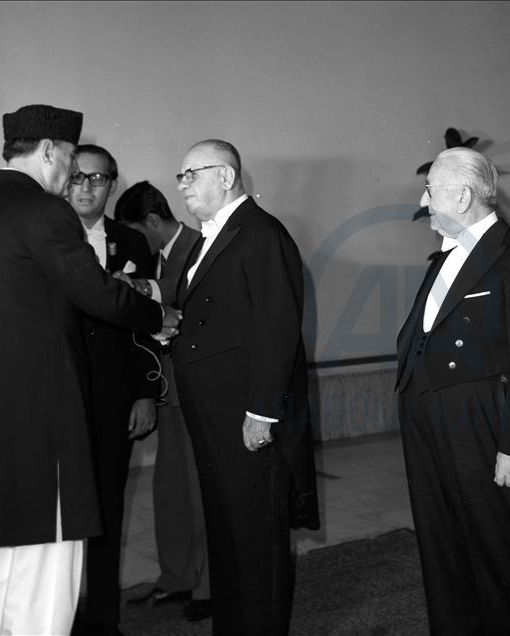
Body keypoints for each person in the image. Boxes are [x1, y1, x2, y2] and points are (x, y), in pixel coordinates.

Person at [0, 104, 179, 636]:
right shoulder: (45, 212)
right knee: (50, 567)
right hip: (45, 417)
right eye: (71, 158)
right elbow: (96, 293)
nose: (72, 172)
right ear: (49, 150)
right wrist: (158, 314)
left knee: (7, 562)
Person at [396, 147, 510, 634]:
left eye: (430, 189)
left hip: (484, 424)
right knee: (443, 552)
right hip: (430, 422)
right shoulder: (441, 260)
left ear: (464, 195)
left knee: (499, 557)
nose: (423, 200)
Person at [170, 139, 319, 634]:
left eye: (192, 173)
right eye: (181, 176)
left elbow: (277, 327)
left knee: (254, 538)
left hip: (244, 417)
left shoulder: (261, 233)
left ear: (227, 177)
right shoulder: (210, 236)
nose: (183, 184)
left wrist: (262, 412)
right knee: (228, 532)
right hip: (214, 412)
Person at [66, 146, 162, 636]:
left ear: (112, 185)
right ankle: (56, 618)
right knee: (59, 518)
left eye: (97, 179)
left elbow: (143, 329)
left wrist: (145, 392)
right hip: (57, 399)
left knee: (106, 512)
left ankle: (103, 619)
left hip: (112, 400)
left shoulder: (132, 242)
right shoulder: (45, 237)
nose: (85, 187)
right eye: (77, 176)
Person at [114, 181, 211, 622]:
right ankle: (176, 577)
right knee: (170, 491)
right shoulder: (155, 256)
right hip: (166, 393)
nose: (133, 240)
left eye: (137, 230)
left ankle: (209, 586)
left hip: (196, 393)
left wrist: (131, 287)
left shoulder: (201, 246)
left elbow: (176, 296)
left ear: (153, 221)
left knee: (199, 492)